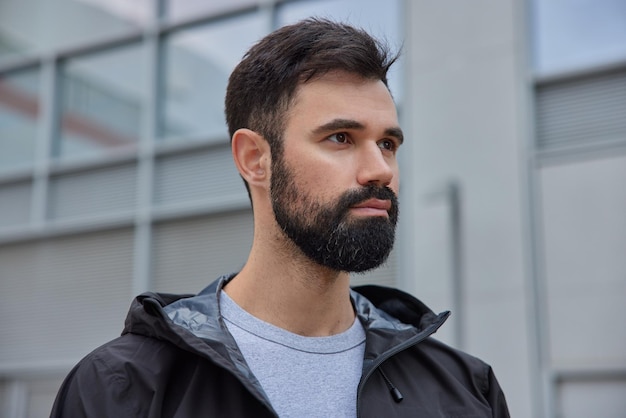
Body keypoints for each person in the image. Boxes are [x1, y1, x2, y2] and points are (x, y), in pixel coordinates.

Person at [50, 18, 510, 417]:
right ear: (255, 159)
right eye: (341, 138)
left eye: (387, 143)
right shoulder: (121, 389)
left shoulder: (468, 391)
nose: (380, 170)